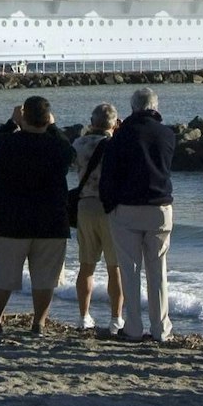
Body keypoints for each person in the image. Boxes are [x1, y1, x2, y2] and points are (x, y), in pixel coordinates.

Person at [0, 96, 74, 336]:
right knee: (45, 278)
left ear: (24, 117)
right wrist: (52, 126)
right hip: (51, 220)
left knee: (2, 274)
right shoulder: (57, 147)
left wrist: (12, 122)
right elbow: (69, 151)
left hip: (10, 219)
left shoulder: (8, 144)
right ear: (46, 119)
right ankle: (39, 323)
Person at [100, 87, 177, 343]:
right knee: (158, 271)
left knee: (129, 271)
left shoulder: (120, 138)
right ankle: (161, 328)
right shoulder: (167, 134)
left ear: (133, 107)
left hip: (127, 208)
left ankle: (133, 326)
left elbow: (108, 177)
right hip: (159, 207)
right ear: (155, 107)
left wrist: (109, 204)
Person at [71, 103, 124, 335]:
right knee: (116, 267)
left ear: (92, 122)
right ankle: (116, 318)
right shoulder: (117, 145)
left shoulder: (79, 144)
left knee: (87, 265)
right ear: (114, 123)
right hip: (111, 207)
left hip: (85, 204)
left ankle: (84, 316)